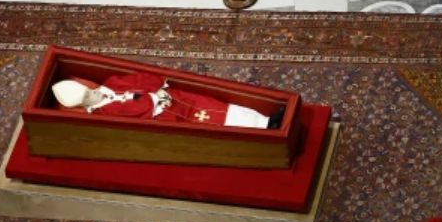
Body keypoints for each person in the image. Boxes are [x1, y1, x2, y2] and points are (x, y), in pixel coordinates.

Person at [51, 72, 279, 128]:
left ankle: (265, 121)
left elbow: (138, 77)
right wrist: (155, 97)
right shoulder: (103, 113)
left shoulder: (109, 83)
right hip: (171, 114)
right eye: (90, 98)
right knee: (214, 121)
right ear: (84, 105)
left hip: (176, 97)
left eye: (90, 91)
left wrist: (158, 87)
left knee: (218, 105)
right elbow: (134, 111)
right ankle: (263, 131)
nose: (95, 94)